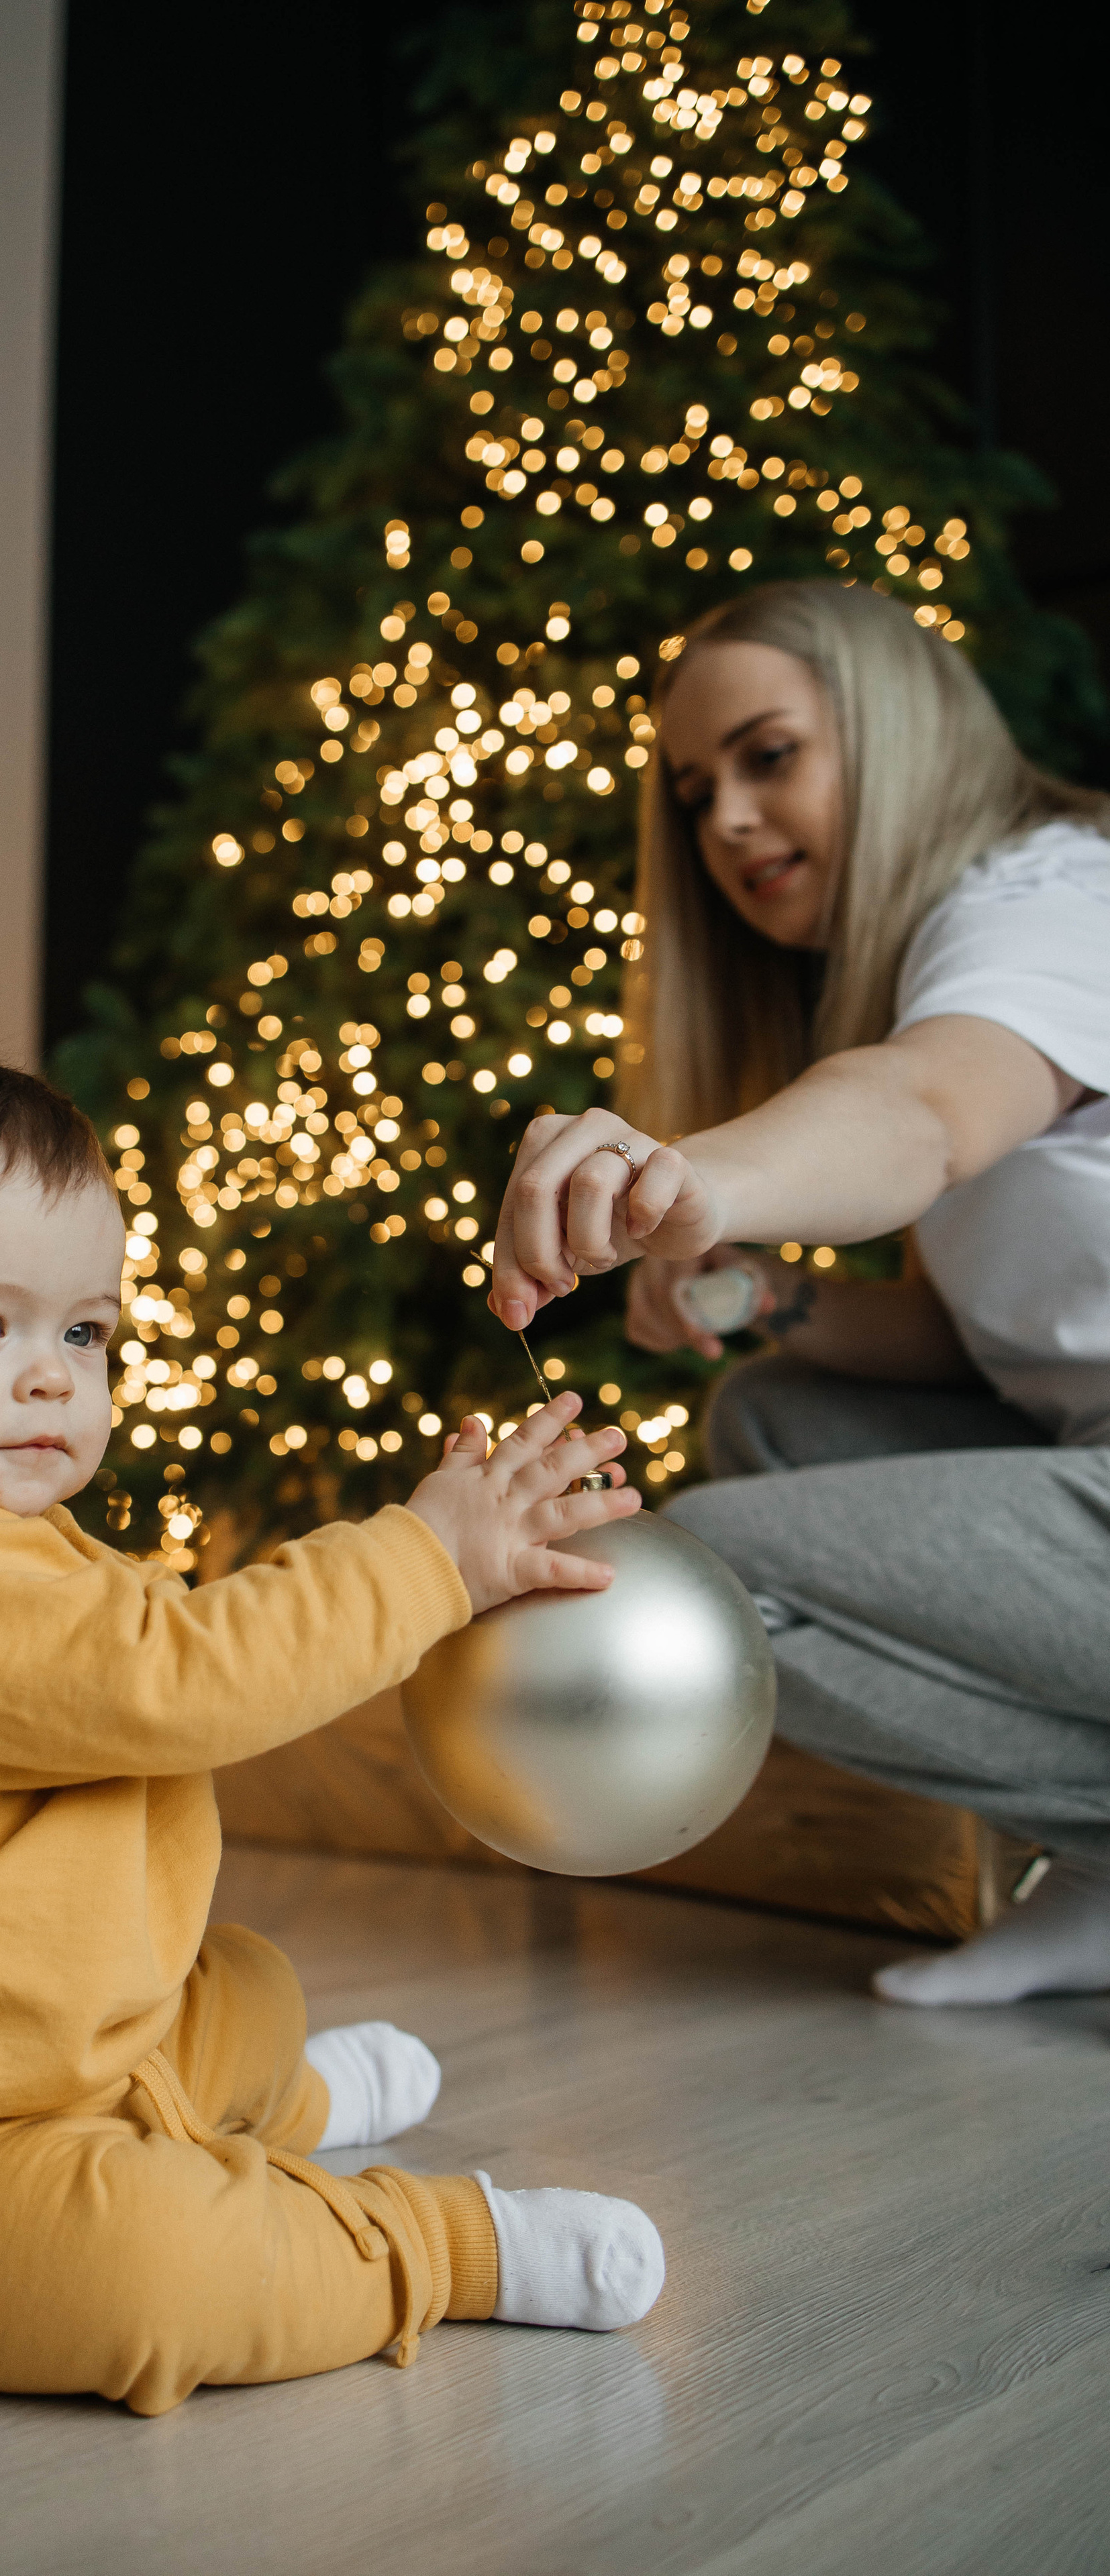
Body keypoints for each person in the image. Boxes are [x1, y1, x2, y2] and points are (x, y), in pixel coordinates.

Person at [0, 1031, 664, 2419]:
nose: (50, 1377)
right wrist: (426, 1562)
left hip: (63, 2054)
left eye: (84, 1332)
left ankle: (273, 2107)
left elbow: (178, 1681)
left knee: (238, 1990)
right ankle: (428, 2245)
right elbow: (182, 1679)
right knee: (158, 2273)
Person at [489, 580, 1110, 2010]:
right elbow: (984, 1343)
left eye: (769, 758)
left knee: (710, 1581)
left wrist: (687, 1177)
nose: (727, 822)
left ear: (897, 730)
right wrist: (764, 1301)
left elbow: (919, 1115)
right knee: (769, 1418)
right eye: (695, 793)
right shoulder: (929, 959)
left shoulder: (1049, 904)